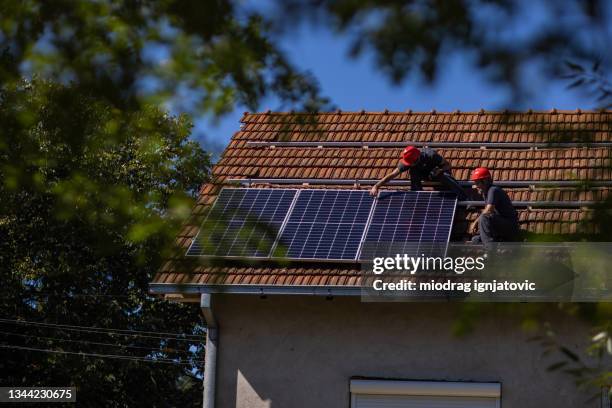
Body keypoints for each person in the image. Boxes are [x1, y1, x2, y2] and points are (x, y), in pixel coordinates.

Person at [369, 145, 467, 200]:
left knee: (444, 176)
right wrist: (376, 186)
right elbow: (392, 175)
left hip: (437, 172)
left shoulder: (431, 155)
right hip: (423, 174)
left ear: (417, 159)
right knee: (413, 172)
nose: (408, 164)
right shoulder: (408, 162)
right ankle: (418, 198)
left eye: (410, 163)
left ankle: (465, 198)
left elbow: (448, 165)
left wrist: (439, 170)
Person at [469, 167, 519, 244]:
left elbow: (488, 211)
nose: (476, 186)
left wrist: (475, 222)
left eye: (477, 183)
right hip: (499, 228)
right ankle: (498, 241)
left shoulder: (493, 190)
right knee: (475, 240)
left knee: (484, 217)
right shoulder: (486, 193)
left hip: (509, 227)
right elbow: (487, 211)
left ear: (485, 181)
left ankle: (490, 250)